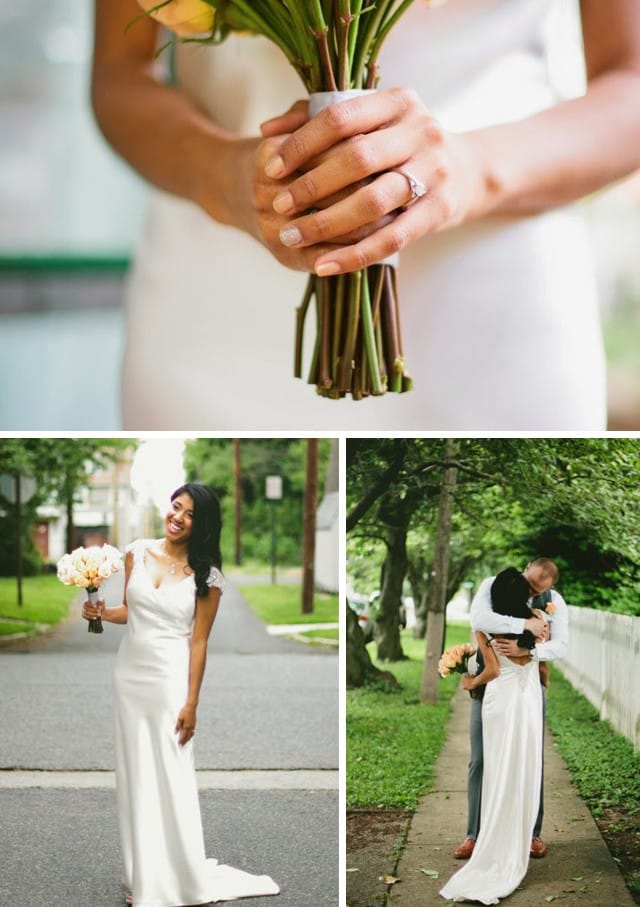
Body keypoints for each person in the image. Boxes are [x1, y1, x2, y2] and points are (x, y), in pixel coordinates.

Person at [91, 1, 640, 430]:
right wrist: (225, 177)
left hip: (491, 302)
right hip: (213, 298)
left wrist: (470, 169)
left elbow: (630, 82)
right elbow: (119, 72)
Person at [82, 483, 279, 906]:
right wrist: (100, 612)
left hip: (171, 683)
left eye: (190, 514)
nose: (178, 517)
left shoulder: (208, 578)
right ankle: (140, 874)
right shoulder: (136, 551)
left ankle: (176, 875)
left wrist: (192, 704)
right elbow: (132, 611)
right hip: (129, 678)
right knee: (134, 772)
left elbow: (198, 643)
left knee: (169, 775)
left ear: (201, 524)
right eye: (176, 507)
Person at [439, 569, 550, 903]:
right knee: (525, 762)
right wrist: (530, 656)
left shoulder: (485, 627)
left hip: (499, 699)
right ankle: (520, 833)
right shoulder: (539, 617)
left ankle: (493, 835)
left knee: (497, 766)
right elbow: (544, 665)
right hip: (527, 697)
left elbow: (492, 671)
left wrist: (469, 683)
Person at [453, 558, 568, 863]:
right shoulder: (493, 585)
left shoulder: (553, 603)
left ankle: (531, 833)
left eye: (539, 589)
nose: (532, 592)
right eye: (530, 585)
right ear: (526, 568)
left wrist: (528, 650)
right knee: (480, 759)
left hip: (526, 685)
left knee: (530, 759)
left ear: (550, 587)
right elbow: (479, 618)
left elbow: (561, 646)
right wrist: (524, 625)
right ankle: (475, 835)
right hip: (491, 685)